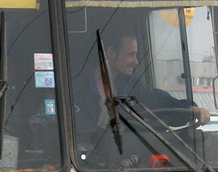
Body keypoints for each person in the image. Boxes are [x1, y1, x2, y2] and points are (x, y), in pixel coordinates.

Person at [78, 33, 210, 128]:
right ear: (111, 53)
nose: (135, 61)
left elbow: (163, 103)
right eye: (130, 55)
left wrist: (191, 109)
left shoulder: (133, 86)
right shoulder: (77, 88)